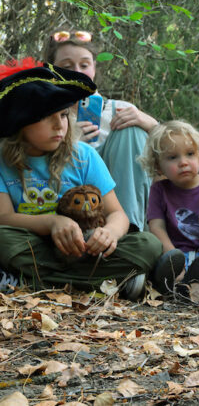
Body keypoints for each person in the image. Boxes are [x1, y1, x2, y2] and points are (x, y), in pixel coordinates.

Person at [0, 62, 160, 299]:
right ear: (20, 123)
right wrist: (53, 223)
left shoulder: (83, 155)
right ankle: (110, 282)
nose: (60, 125)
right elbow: (4, 218)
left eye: (64, 115)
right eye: (47, 117)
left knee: (149, 245)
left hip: (84, 248)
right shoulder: (3, 161)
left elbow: (118, 214)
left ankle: (27, 281)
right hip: (34, 245)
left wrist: (110, 234)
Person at [44, 29, 156, 232]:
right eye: (67, 66)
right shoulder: (43, 115)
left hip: (121, 205)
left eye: (84, 65)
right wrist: (69, 139)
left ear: (94, 67)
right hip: (72, 210)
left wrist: (152, 125)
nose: (77, 71)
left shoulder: (121, 109)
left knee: (132, 128)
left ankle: (130, 232)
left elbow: (173, 158)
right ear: (52, 71)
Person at [139, 120, 199, 295]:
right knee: (158, 267)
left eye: (190, 154)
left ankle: (197, 282)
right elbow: (156, 227)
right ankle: (180, 283)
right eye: (173, 157)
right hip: (175, 253)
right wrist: (173, 257)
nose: (183, 162)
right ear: (158, 166)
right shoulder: (159, 190)